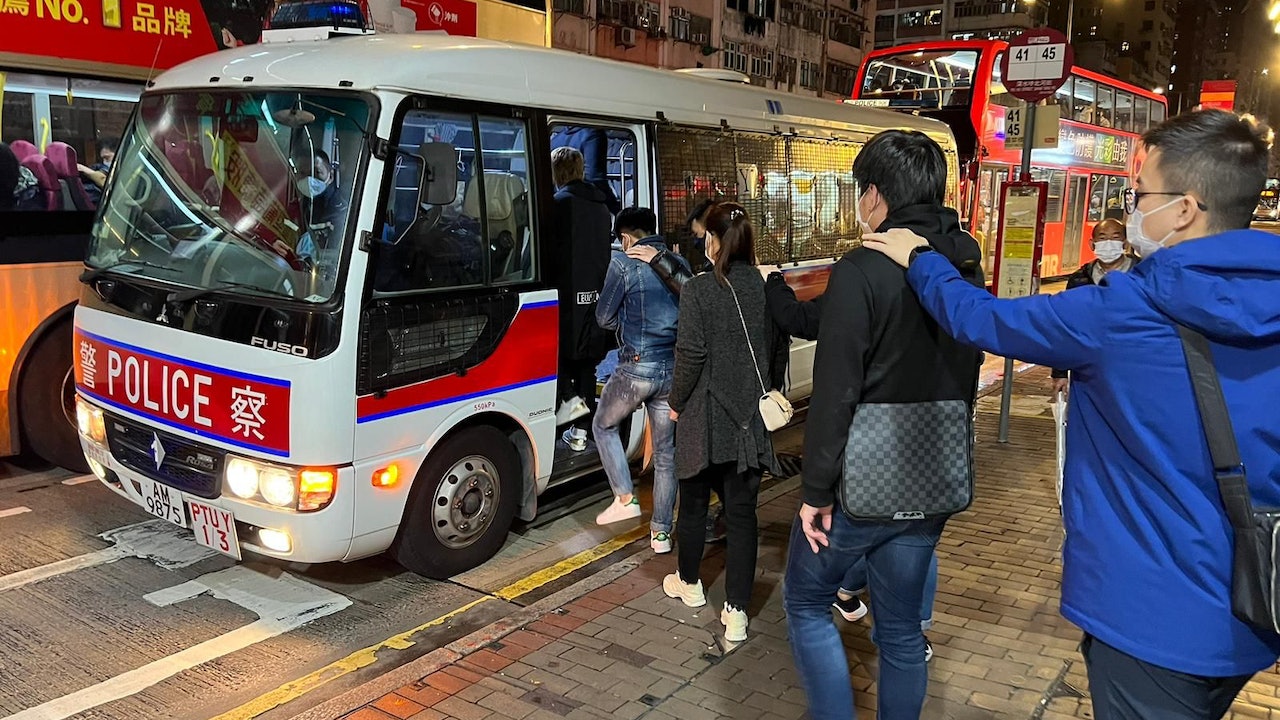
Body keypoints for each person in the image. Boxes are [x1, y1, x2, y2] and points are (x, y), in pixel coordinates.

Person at [863, 109, 1280, 720]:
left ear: (1186, 208)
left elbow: (983, 319)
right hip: (1254, 604)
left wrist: (921, 258)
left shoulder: (1122, 313)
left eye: (1142, 195)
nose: (1133, 211)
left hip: (1147, 616)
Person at [783, 129, 984, 720]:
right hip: (936, 478)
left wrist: (816, 490)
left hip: (864, 485)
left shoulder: (863, 268)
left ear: (874, 195)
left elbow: (837, 391)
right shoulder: (963, 259)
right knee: (900, 633)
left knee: (804, 599)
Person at [662, 203, 786, 643]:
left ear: (713, 240)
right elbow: (776, 351)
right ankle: (736, 612)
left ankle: (690, 584)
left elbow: (691, 355)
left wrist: (675, 404)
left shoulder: (698, 290)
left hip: (703, 416)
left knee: (693, 505)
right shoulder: (767, 285)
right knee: (742, 516)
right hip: (748, 418)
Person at [591, 208, 687, 554]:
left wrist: (627, 327)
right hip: (672, 368)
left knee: (603, 425)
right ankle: (661, 534)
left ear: (627, 237)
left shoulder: (622, 263)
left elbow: (603, 317)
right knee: (666, 456)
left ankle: (625, 496)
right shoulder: (677, 262)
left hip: (636, 368)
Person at [550, 146, 613, 451]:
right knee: (587, 366)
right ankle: (580, 434)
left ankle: (569, 407)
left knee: (556, 360)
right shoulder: (601, 208)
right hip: (595, 298)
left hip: (563, 299)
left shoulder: (558, 205)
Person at [1052, 218, 1134, 398]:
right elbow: (1066, 325)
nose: (1108, 244)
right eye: (1103, 238)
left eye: (1115, 237)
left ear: (1125, 243)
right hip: (1088, 368)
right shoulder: (1079, 279)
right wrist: (1060, 372)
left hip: (1133, 366)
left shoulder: (1143, 273)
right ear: (1092, 244)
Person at [292, 147, 349, 264]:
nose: (309, 179)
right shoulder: (296, 204)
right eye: (302, 173)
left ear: (330, 175)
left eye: (317, 172)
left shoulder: (341, 210)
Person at [79, 138, 117, 204]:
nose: (105, 162)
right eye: (103, 159)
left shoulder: (126, 171)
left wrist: (86, 171)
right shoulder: (99, 167)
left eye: (107, 158)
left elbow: (110, 185)